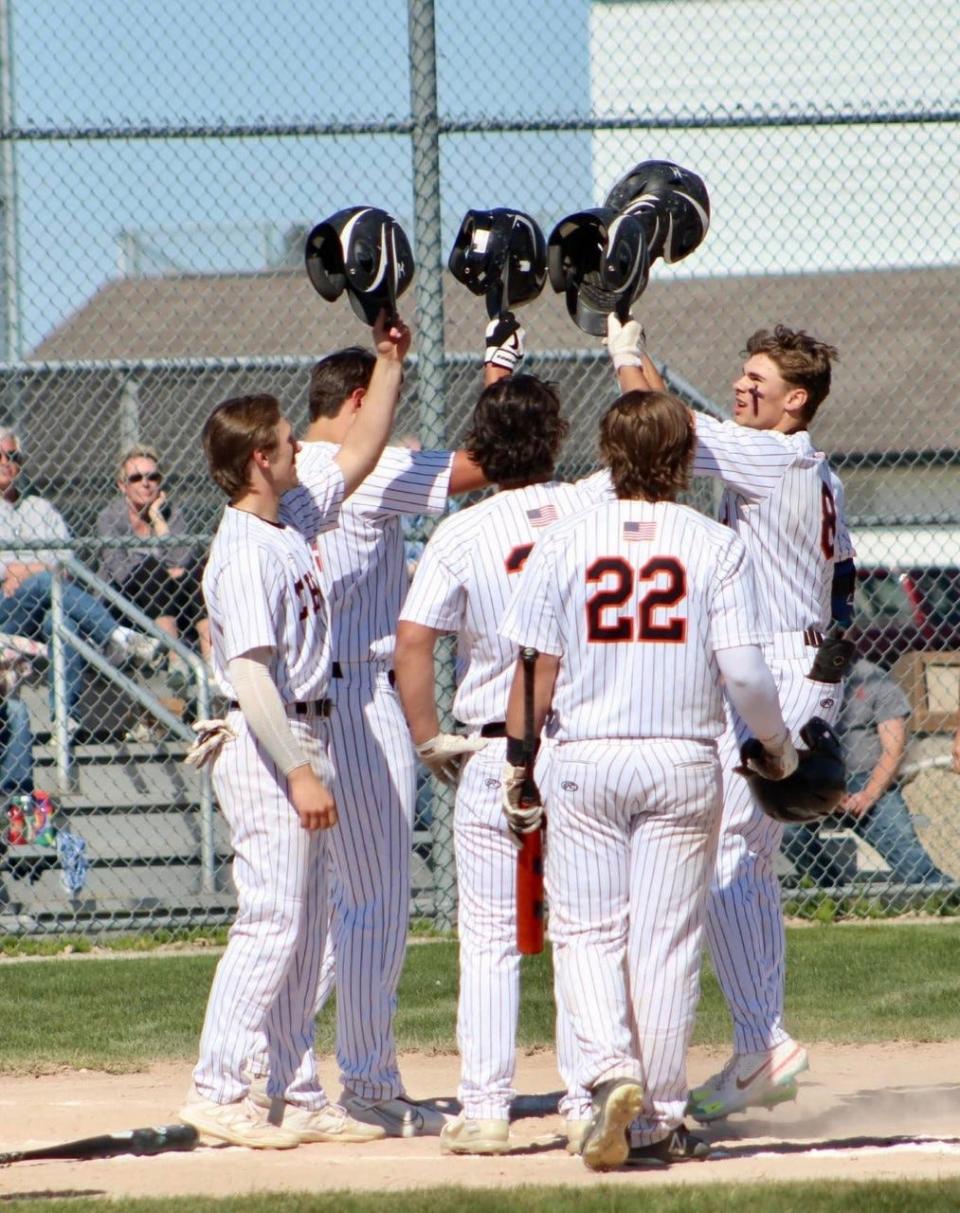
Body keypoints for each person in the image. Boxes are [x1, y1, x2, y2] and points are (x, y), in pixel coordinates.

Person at [498, 389, 797, 1170]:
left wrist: (518, 763)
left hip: (586, 754)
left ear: (608, 454)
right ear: (685, 458)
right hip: (681, 755)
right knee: (663, 942)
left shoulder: (564, 541)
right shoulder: (714, 544)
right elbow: (744, 671)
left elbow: (536, 669)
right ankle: (658, 1116)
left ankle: (608, 1070)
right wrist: (775, 744)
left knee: (587, 933)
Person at [244, 327, 505, 1139]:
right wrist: (500, 371)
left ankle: (276, 1065)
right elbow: (484, 464)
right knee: (376, 900)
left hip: (301, 703)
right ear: (360, 403)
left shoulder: (299, 478)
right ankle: (366, 1077)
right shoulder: (373, 464)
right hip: (357, 701)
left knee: (317, 908)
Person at [608, 317, 853, 1121]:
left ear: (797, 402)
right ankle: (760, 1040)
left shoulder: (774, 452)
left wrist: (623, 353)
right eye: (744, 373)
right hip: (798, 659)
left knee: (727, 859)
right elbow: (844, 580)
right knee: (738, 859)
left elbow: (664, 425)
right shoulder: (818, 469)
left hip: (776, 663)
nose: (745, 385)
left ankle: (762, 1043)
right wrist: (826, 683)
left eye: (762, 381)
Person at [178, 311, 409, 1149]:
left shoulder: (293, 517)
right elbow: (249, 677)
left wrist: (388, 364)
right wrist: (300, 770)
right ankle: (217, 1085)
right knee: (273, 920)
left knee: (307, 928)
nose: (296, 449)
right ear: (256, 463)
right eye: (282, 442)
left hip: (306, 737)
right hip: (270, 744)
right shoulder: (243, 549)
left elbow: (358, 452)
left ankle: (290, 1086)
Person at [394, 370, 606, 1155]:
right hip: (579, 742)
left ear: (480, 447)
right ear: (556, 440)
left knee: (486, 933)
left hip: (489, 740)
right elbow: (655, 431)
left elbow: (415, 641)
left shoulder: (461, 530)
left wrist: (425, 737)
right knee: (584, 926)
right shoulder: (593, 506)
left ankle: (485, 1104)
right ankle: (588, 1094)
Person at [0, 429, 161, 729]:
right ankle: (118, 636)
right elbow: (47, 568)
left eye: (13, 456)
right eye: (0, 456)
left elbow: (65, 562)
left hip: (44, 607)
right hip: (6, 610)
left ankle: (65, 718)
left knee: (60, 622)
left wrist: (17, 569)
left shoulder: (41, 509)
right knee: (44, 583)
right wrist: (26, 570)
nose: (6, 462)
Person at [782, 657, 951, 887]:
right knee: (786, 831)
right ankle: (829, 892)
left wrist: (869, 795)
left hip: (867, 782)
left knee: (916, 868)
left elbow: (895, 747)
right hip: (813, 783)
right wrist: (826, 792)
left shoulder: (875, 678)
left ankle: (944, 898)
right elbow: (786, 746)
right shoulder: (796, 682)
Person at [96, 445, 210, 683]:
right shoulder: (109, 517)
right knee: (151, 570)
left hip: (172, 600)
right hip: (125, 606)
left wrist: (158, 521)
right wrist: (163, 567)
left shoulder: (170, 513)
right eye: (136, 478)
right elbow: (122, 572)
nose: (145, 483)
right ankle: (175, 660)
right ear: (122, 485)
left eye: (152, 477)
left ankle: (212, 665)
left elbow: (183, 563)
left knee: (199, 570)